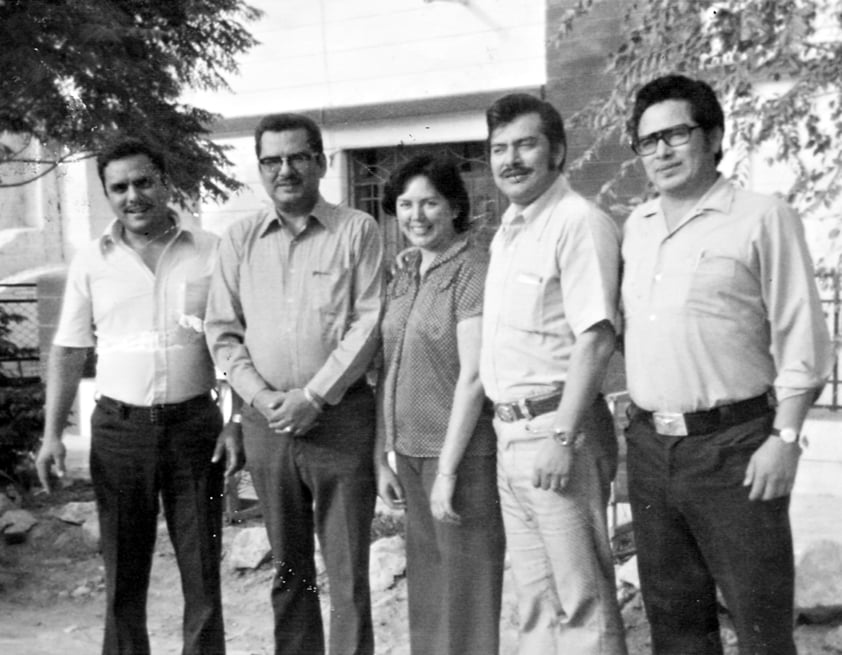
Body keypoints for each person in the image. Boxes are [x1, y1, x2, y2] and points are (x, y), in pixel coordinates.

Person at [622, 74, 833, 654]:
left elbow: (803, 337)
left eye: (677, 134)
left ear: (713, 136)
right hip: (651, 448)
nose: (661, 151)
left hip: (736, 449)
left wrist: (785, 437)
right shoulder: (635, 230)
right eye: (648, 141)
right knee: (676, 625)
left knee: (761, 624)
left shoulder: (763, 216)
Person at [35, 137, 243, 655]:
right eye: (119, 187)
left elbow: (238, 340)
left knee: (202, 567)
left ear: (164, 182)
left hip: (196, 429)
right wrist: (52, 436)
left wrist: (235, 418)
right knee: (124, 571)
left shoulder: (213, 251)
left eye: (143, 182)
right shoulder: (91, 262)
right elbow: (67, 351)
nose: (133, 196)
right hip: (119, 433)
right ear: (107, 194)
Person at [204, 113, 384, 655]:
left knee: (348, 568)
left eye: (297, 157)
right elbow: (222, 331)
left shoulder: (357, 230)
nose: (285, 170)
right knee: (290, 567)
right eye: (271, 160)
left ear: (321, 162)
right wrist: (262, 398)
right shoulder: (239, 240)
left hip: (341, 419)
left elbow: (369, 321)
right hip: (268, 425)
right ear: (260, 169)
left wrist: (314, 396)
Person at [480, 93, 627, 654]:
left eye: (525, 145)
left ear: (557, 151)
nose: (510, 159)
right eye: (499, 149)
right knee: (536, 603)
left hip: (556, 432)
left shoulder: (578, 223)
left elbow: (597, 336)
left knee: (581, 599)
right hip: (511, 437)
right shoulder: (510, 232)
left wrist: (563, 436)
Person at [376, 155, 505, 655]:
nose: (417, 215)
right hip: (408, 454)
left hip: (460, 457)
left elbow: (473, 377)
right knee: (428, 593)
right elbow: (390, 367)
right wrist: (384, 454)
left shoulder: (472, 269)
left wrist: (447, 472)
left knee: (468, 594)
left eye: (430, 202)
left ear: (454, 206)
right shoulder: (407, 271)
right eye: (406, 204)